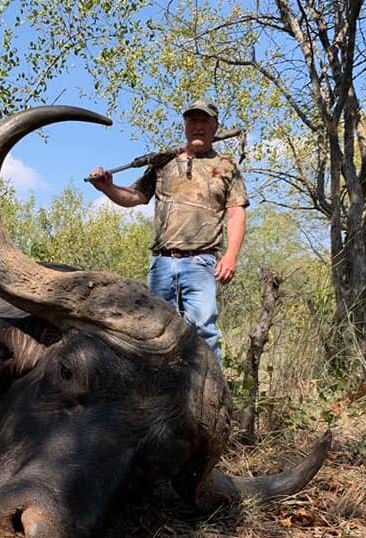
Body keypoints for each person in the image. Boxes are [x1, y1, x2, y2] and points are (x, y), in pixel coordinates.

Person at [89, 99, 248, 364]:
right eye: (192, 120)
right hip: (161, 263)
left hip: (201, 262)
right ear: (185, 125)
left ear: (214, 126)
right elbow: (136, 196)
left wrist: (230, 255)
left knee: (203, 331)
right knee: (156, 333)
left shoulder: (226, 166)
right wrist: (107, 187)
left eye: (204, 121)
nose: (198, 126)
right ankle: (160, 400)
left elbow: (236, 212)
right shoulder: (164, 162)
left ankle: (212, 401)